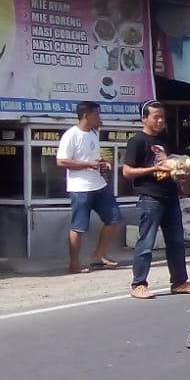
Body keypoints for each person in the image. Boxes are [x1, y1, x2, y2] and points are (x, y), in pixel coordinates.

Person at [122, 101, 190, 300]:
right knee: (146, 242)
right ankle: (139, 284)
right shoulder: (138, 141)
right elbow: (127, 171)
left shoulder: (166, 139)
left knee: (176, 242)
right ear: (144, 118)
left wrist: (184, 171)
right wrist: (154, 170)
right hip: (150, 198)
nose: (160, 121)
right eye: (155, 117)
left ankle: (180, 282)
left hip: (170, 196)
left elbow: (174, 161)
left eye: (162, 117)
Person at [58, 101, 121, 274]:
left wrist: (103, 163)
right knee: (79, 226)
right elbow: (61, 161)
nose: (99, 118)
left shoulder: (93, 133)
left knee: (114, 218)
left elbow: (94, 158)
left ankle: (99, 254)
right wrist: (87, 165)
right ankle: (74, 263)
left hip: (99, 184)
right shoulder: (71, 135)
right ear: (85, 115)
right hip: (80, 188)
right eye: (96, 114)